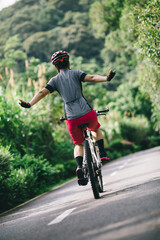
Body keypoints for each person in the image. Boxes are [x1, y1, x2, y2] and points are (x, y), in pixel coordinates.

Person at [19, 50, 116, 186]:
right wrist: (106, 78)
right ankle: (103, 154)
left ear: (56, 67)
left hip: (72, 118)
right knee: (95, 129)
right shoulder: (76, 73)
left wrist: (29, 104)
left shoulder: (55, 80)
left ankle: (79, 167)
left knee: (78, 144)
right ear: (68, 62)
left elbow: (42, 92)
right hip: (87, 112)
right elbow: (92, 78)